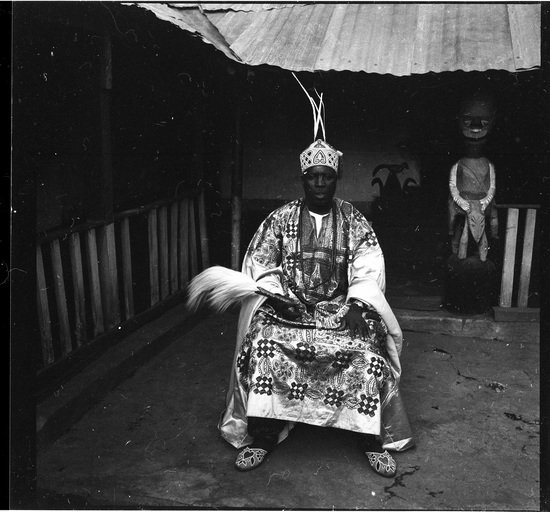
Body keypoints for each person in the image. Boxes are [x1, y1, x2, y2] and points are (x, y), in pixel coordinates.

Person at [218, 138, 415, 477]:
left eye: (327, 176)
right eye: (313, 176)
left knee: (368, 351)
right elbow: (261, 264)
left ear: (336, 179)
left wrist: (357, 303)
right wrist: (280, 301)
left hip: (341, 309)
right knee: (263, 343)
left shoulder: (352, 218)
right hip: (288, 309)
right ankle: (265, 435)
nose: (320, 183)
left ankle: (369, 439)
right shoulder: (280, 219)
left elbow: (369, 263)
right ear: (303, 179)